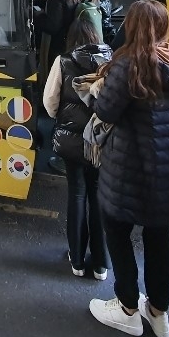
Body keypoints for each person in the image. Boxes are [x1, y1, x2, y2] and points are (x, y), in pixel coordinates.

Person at [87, 0, 169, 337]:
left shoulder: (127, 64)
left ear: (131, 26)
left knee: (118, 233)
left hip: (130, 164)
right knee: (158, 236)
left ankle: (126, 308)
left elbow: (106, 112)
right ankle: (158, 312)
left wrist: (96, 91)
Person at [42, 14, 112, 280]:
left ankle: (77, 260)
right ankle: (101, 264)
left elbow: (50, 103)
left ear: (71, 38)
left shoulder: (63, 61)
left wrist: (63, 118)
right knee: (98, 197)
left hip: (72, 143)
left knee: (77, 195)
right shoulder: (112, 60)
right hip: (101, 142)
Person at [35, 0, 100, 174]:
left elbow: (52, 25)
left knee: (64, 104)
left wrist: (34, 13)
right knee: (81, 104)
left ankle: (65, 155)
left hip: (64, 54)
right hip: (89, 53)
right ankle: (85, 151)